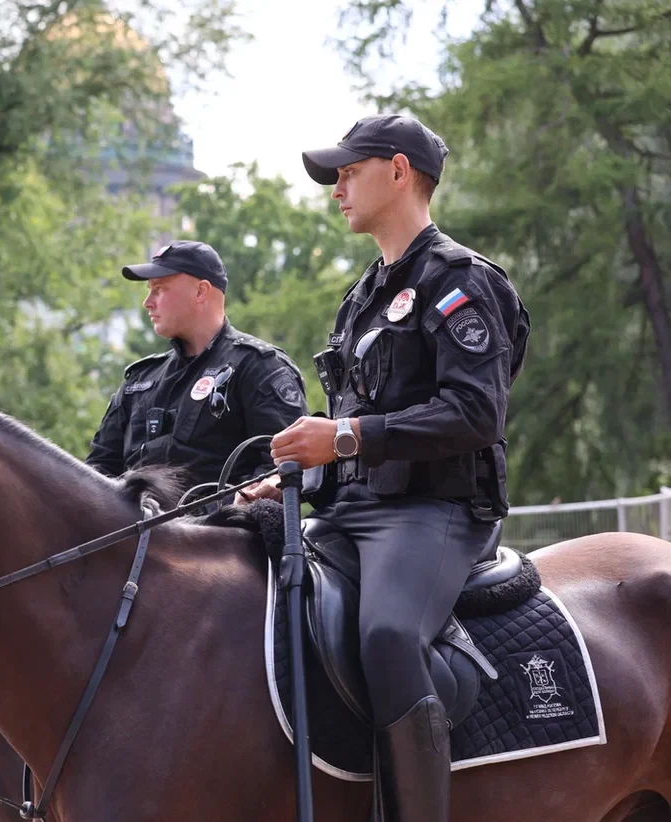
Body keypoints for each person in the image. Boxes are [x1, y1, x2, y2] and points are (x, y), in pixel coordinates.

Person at [236, 114, 530, 820]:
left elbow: (473, 414)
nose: (336, 188)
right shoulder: (363, 296)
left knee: (387, 635)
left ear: (398, 172)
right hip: (353, 512)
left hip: (437, 513)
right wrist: (294, 479)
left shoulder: (459, 281)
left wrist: (338, 438)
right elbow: (354, 435)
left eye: (347, 172)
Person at [85, 240, 308, 495]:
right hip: (135, 532)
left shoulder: (258, 366)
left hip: (220, 531)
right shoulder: (139, 380)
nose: (148, 302)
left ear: (201, 292)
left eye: (160, 289)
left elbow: (285, 469)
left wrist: (248, 498)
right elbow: (97, 474)